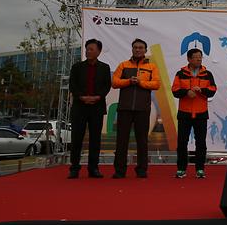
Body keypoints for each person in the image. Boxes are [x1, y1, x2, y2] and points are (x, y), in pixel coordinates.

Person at [111, 38, 161, 178]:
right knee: (121, 141)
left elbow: (156, 84)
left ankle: (142, 170)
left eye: (140, 47)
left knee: (142, 141)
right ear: (132, 49)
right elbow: (114, 82)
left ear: (145, 50)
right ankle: (120, 171)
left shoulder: (152, 67)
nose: (138, 49)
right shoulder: (123, 65)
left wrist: (141, 82)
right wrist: (128, 81)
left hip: (142, 109)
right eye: (135, 47)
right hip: (124, 108)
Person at [67, 38, 112, 179]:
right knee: (76, 138)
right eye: (87, 49)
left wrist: (98, 97)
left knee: (95, 139)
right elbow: (72, 85)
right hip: (80, 107)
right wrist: (82, 97)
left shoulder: (105, 67)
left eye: (91, 49)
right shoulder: (77, 67)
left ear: (98, 51)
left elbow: (107, 86)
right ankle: (74, 168)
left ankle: (93, 168)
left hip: (97, 107)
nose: (88, 51)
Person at [171, 47, 217, 179]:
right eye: (196, 57)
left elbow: (213, 89)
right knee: (182, 142)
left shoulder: (207, 74)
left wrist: (201, 90)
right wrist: (186, 92)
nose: (198, 59)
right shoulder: (181, 73)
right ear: (189, 59)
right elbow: (175, 90)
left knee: (201, 142)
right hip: (184, 112)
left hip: (201, 112)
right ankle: (181, 169)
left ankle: (200, 169)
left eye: (200, 56)